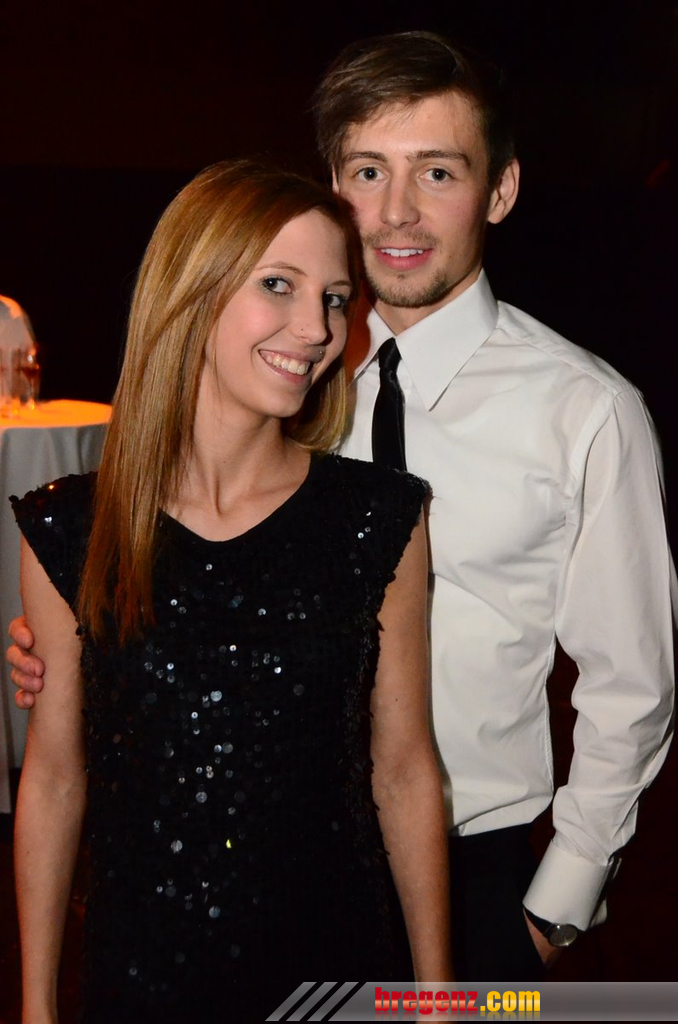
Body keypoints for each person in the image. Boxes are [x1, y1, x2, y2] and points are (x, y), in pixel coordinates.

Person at [9, 30, 675, 982]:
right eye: (368, 171)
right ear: (332, 183)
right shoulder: (274, 366)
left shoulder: (585, 410)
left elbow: (632, 686)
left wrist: (553, 909)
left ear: (500, 190)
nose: (397, 211)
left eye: (438, 171)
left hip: (476, 876)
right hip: (272, 877)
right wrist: (87, 642)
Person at [10, 159, 451, 1023]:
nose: (317, 328)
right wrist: (34, 1004)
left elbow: (404, 771)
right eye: (278, 285)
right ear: (192, 292)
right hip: (141, 976)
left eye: (334, 298)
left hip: (336, 967)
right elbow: (55, 778)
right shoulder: (71, 528)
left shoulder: (376, 518)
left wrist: (437, 996)